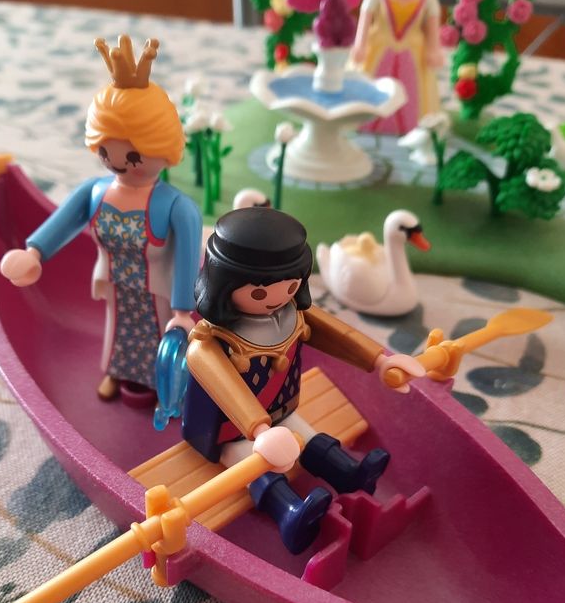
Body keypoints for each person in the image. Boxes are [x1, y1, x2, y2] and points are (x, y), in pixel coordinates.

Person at [182, 207, 424, 554]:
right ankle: (289, 513)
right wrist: (259, 431)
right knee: (251, 462)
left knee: (307, 434)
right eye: (260, 293)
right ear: (223, 284)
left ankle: (349, 474)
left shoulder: (292, 314)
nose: (278, 298)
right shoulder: (208, 344)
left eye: (291, 286)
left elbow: (339, 335)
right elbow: (227, 387)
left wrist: (380, 360)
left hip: (281, 410)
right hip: (230, 430)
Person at [0, 35, 201, 406]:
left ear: (164, 148)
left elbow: (189, 258)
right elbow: (64, 221)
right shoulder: (96, 192)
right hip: (116, 286)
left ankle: (164, 384)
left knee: (161, 337)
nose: (118, 163)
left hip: (157, 292)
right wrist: (34, 252)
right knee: (117, 331)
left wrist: (183, 310)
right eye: (106, 151)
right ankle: (115, 372)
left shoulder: (175, 206)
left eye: (133, 156)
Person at [352, 0, 443, 134]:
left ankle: (408, 125)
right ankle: (367, 121)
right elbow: (363, 24)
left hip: (413, 53)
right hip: (378, 49)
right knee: (373, 86)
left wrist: (434, 50)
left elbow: (433, 30)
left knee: (412, 89)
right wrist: (360, 46)